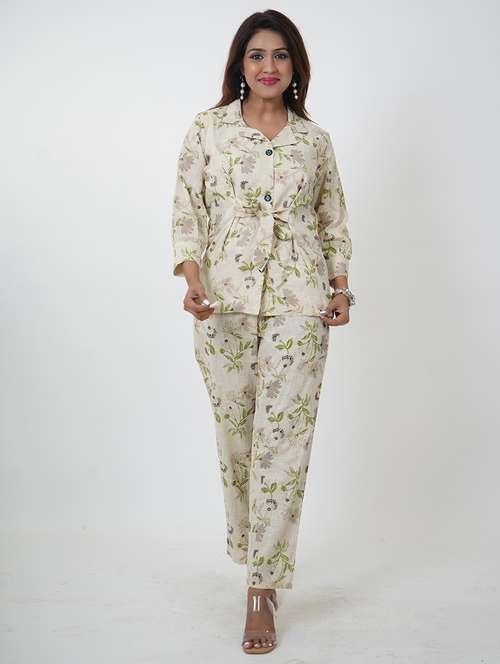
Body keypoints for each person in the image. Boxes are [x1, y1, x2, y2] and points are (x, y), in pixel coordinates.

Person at [170, 9, 355, 654]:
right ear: (240, 65)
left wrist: (340, 288)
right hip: (222, 305)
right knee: (239, 439)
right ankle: (252, 554)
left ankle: (261, 588)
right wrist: (192, 280)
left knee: (284, 442)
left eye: (280, 55)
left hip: (300, 303)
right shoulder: (208, 130)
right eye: (257, 55)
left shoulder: (314, 141)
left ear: (295, 65)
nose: (268, 66)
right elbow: (187, 213)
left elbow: (332, 219)